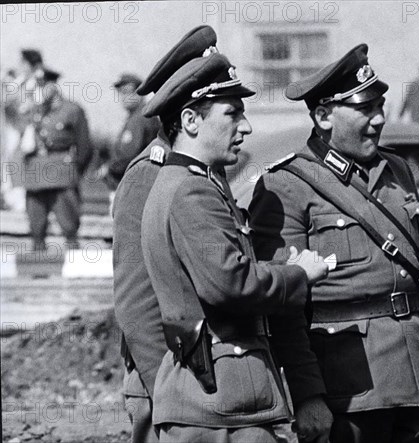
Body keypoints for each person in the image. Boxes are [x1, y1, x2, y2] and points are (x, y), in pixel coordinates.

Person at [249, 44, 419, 443]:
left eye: (380, 106)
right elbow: (285, 309)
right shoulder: (287, 185)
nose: (379, 120)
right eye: (365, 109)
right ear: (323, 116)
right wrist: (307, 395)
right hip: (350, 389)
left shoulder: (398, 170)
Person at [139, 51, 330, 442]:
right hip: (219, 406)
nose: (245, 128)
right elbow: (230, 284)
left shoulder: (188, 183)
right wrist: (298, 275)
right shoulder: (191, 190)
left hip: (216, 401)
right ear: (190, 120)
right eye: (232, 114)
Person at [111, 26, 221, 443]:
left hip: (202, 375)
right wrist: (169, 390)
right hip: (165, 379)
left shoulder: (203, 169)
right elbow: (136, 300)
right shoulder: (149, 175)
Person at [20, 67, 91, 250]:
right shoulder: (33, 111)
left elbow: (84, 146)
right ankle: (38, 269)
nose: (40, 90)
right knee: (36, 226)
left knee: (69, 225)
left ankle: (75, 265)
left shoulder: (72, 110)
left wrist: (74, 170)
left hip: (61, 174)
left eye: (43, 85)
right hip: (35, 175)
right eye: (37, 85)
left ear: (53, 85)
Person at [99, 73, 160, 191]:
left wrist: (109, 168)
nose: (124, 96)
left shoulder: (140, 118)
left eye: (128, 91)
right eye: (121, 92)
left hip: (138, 182)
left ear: (140, 93)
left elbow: (128, 154)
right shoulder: (138, 115)